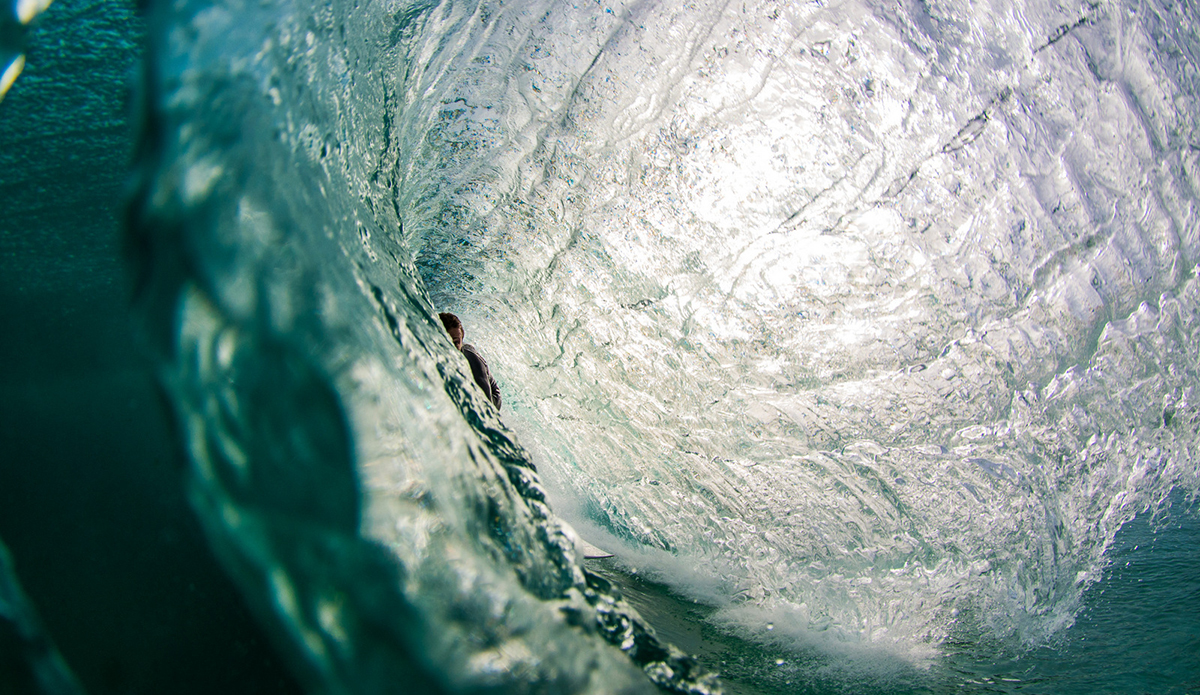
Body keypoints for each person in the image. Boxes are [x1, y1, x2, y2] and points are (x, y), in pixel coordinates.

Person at [439, 312, 501, 410]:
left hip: (492, 398)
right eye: (448, 341)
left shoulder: (472, 359)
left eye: (456, 342)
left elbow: (488, 404)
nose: (452, 346)